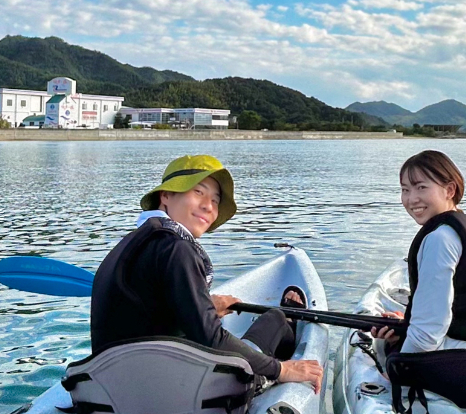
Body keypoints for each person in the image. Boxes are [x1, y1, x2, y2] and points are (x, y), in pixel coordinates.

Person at [90, 154, 323, 392]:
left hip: (111, 391)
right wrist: (281, 370)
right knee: (274, 318)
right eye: (198, 192)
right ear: (166, 195)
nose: (208, 206)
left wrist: (205, 306)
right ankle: (286, 343)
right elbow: (211, 339)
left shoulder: (130, 244)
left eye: (215, 200)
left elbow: (145, 314)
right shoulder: (177, 248)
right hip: (169, 396)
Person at [373, 150, 466, 361]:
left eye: (421, 187)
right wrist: (403, 327)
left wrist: (400, 367)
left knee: (388, 356)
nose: (411, 199)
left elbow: (428, 332)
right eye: (405, 190)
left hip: (461, 361)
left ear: (449, 190)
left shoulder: (440, 239)